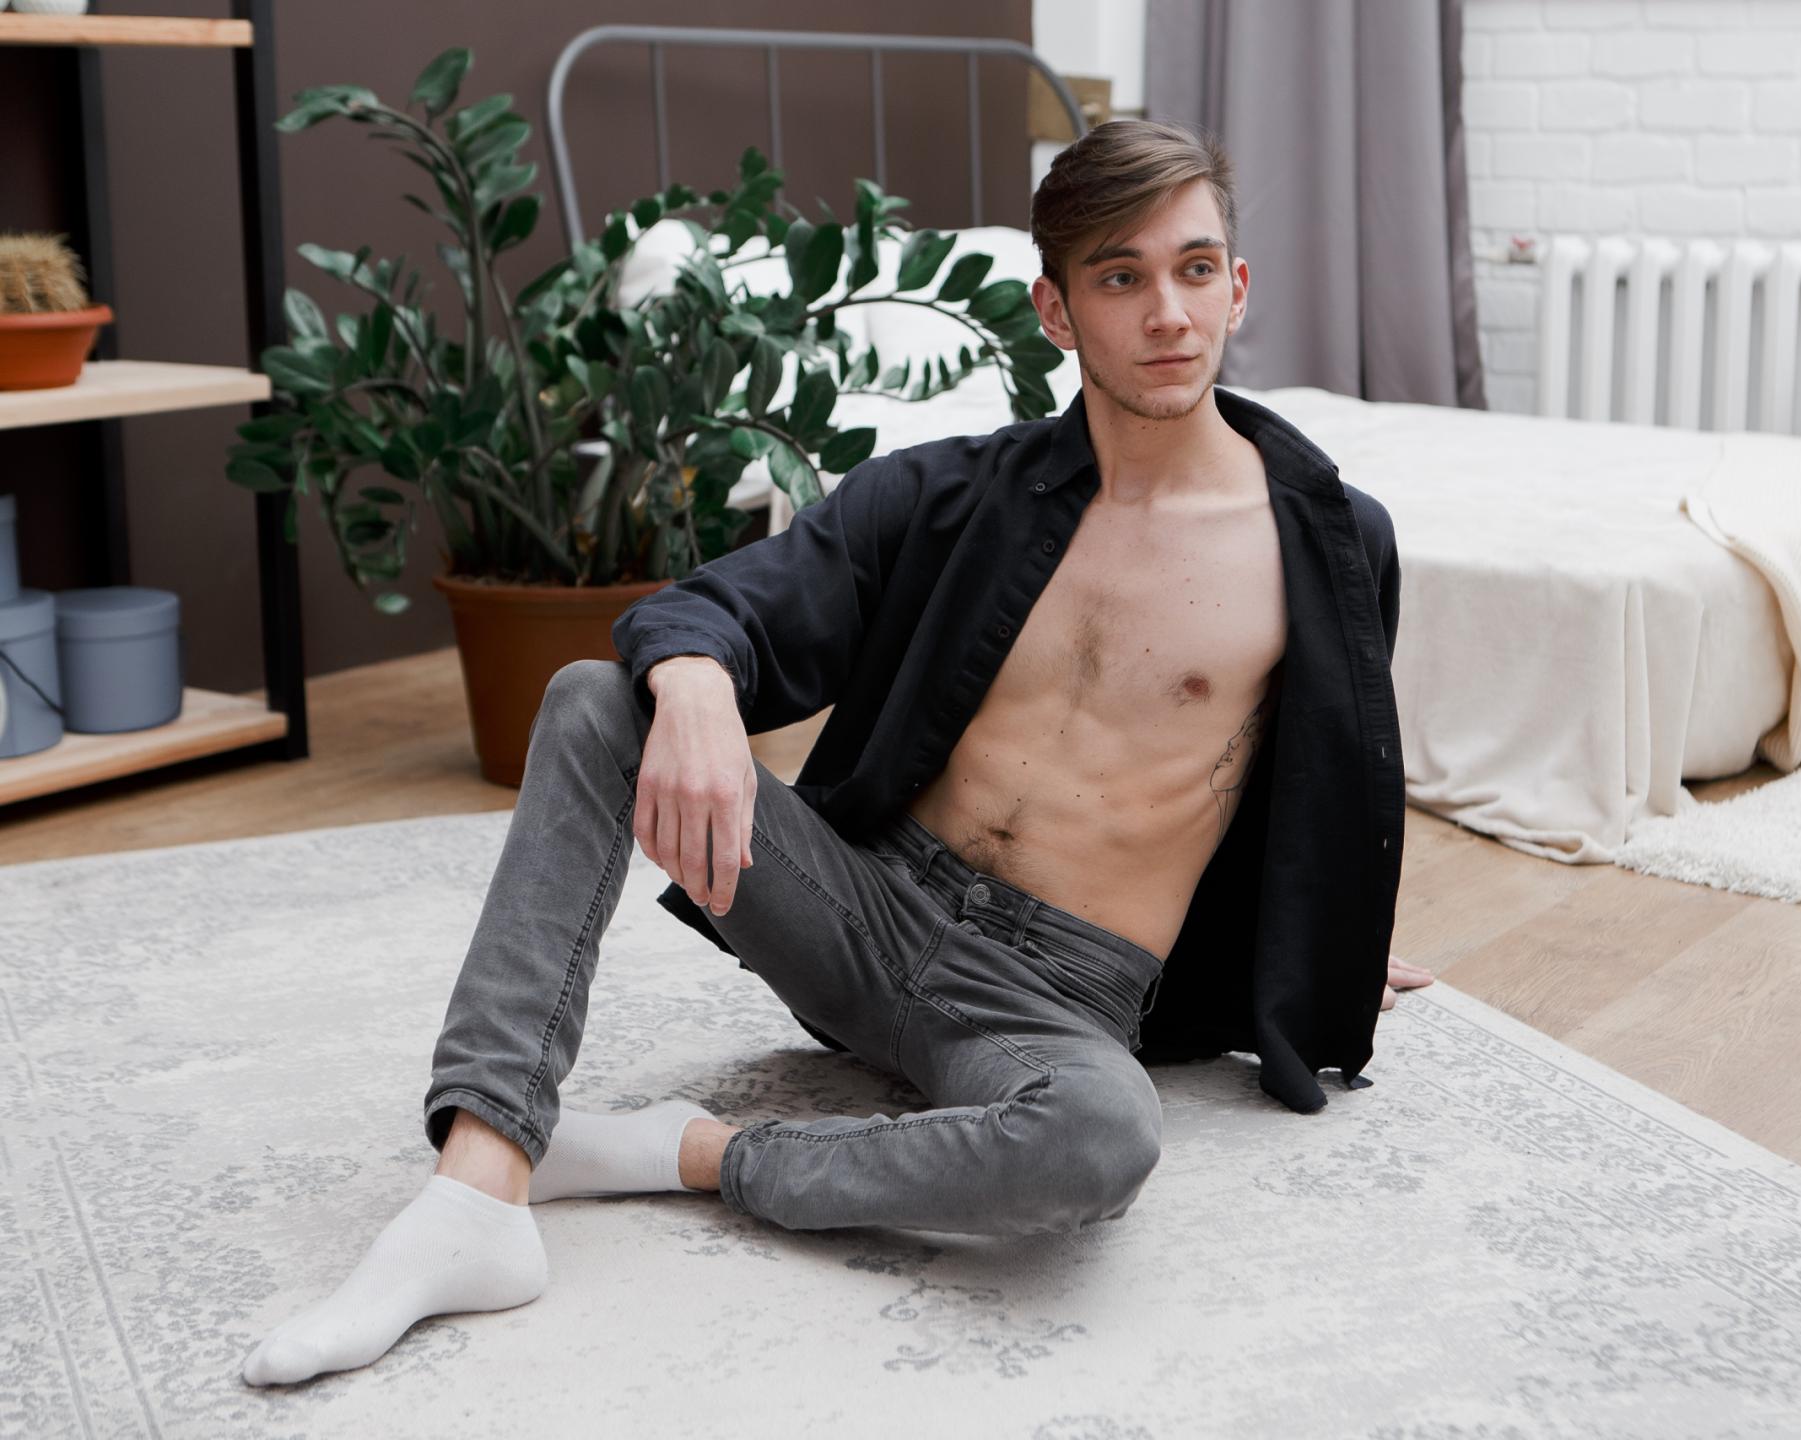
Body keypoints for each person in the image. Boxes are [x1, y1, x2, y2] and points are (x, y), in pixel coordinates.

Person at [241, 118, 1431, 1389]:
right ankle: (477, 1190)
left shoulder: (1327, 545)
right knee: (596, 701)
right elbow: (727, 603)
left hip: (1051, 1000)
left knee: (1100, 1142)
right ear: (1057, 310)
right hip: (860, 908)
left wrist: (1317, 943)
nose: (1167, 315)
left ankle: (677, 1152)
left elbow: (1314, 777)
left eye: (1194, 270)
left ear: (1237, 287)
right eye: (1120, 277)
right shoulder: (953, 496)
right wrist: (697, 682)